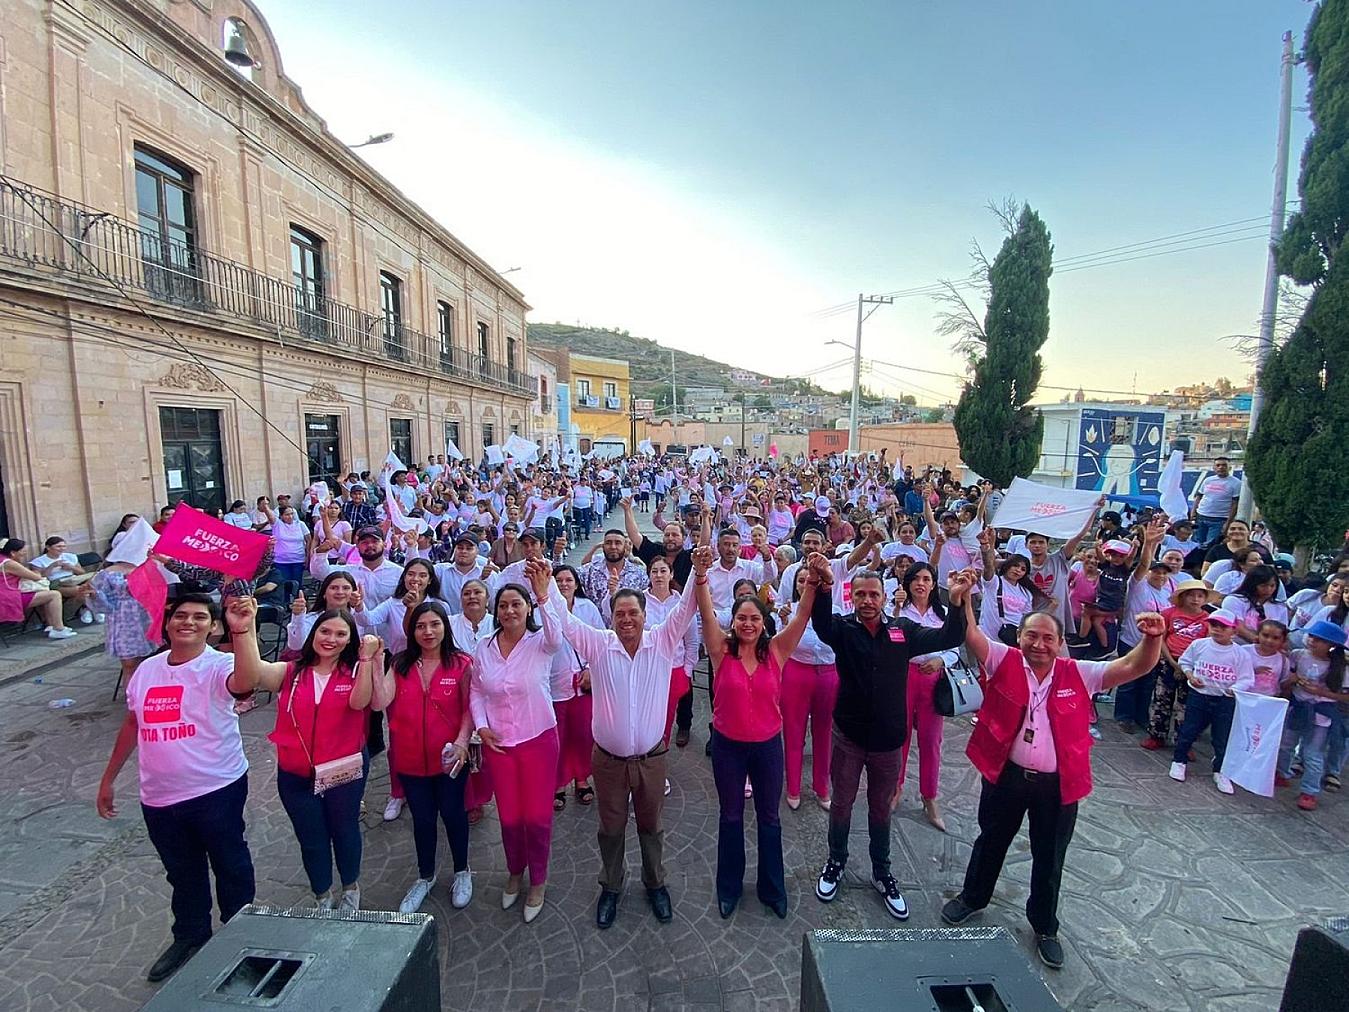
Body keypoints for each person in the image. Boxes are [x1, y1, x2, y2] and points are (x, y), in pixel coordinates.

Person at [941, 591, 1167, 970]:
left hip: (1056, 786)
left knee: (1050, 856)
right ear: (1019, 637)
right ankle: (972, 898)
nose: (1039, 644)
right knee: (990, 840)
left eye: (1048, 638)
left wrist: (1153, 638)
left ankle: (1045, 926)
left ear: (1061, 643)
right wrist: (961, 600)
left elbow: (1134, 666)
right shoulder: (1003, 659)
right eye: (1032, 635)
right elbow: (972, 634)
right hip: (1007, 778)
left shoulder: (1079, 673)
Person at [538, 546, 709, 929]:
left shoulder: (662, 641)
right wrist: (545, 586)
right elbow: (565, 621)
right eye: (620, 614)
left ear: (645, 616)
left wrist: (699, 574)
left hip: (651, 759)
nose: (627, 619)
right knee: (610, 829)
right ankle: (611, 886)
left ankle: (655, 882)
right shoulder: (599, 644)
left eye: (633, 613)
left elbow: (686, 608)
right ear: (611, 617)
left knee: (651, 827)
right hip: (609, 762)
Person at [96, 594, 257, 983]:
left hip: (216, 789)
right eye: (180, 615)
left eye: (200, 617)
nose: (188, 622)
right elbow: (133, 723)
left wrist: (243, 631)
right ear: (167, 624)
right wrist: (108, 778)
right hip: (159, 797)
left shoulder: (220, 665)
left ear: (213, 627)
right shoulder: (146, 670)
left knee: (231, 866)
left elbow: (246, 682)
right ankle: (190, 935)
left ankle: (241, 938)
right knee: (182, 873)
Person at [812, 565, 972, 921]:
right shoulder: (843, 629)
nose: (867, 601)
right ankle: (836, 862)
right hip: (849, 736)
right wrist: (823, 586)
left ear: (884, 598)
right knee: (842, 803)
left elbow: (948, 636)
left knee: (881, 808)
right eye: (861, 594)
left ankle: (881, 872)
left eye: (874, 595)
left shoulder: (904, 630)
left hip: (888, 741)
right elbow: (820, 624)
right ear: (852, 597)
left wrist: (957, 602)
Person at [230, 598, 379, 912]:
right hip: (296, 773)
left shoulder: (355, 671)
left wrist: (366, 659)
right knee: (311, 838)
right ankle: (322, 894)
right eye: (325, 631)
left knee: (345, 831)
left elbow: (360, 702)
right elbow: (254, 674)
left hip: (343, 771)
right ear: (314, 634)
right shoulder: (291, 672)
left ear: (350, 641)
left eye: (341, 634)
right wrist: (244, 630)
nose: (331, 639)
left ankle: (350, 887)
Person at [696, 550, 818, 920]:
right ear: (732, 622)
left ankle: (772, 889)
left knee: (769, 818)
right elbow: (705, 613)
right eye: (741, 618)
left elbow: (802, 615)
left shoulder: (777, 650)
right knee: (731, 816)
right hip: (728, 747)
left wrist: (812, 581)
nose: (748, 624)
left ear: (764, 623)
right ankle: (729, 888)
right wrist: (700, 576)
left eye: (754, 618)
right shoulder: (720, 650)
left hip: (767, 747)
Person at [469, 561, 563, 923]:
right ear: (496, 612)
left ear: (528, 609)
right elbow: (477, 690)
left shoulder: (541, 643)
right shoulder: (484, 647)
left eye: (517, 605)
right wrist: (481, 726)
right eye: (504, 606)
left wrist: (543, 594)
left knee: (536, 816)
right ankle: (514, 871)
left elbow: (556, 634)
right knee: (509, 817)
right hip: (500, 745)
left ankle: (538, 878)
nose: (509, 611)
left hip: (538, 740)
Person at [371, 601, 475, 911]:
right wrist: (374, 663)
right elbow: (379, 702)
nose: (428, 632)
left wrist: (462, 741)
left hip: (450, 759)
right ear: (412, 631)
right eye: (420, 626)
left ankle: (462, 871)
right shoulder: (399, 664)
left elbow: (470, 708)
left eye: (434, 624)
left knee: (454, 815)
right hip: (409, 759)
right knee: (423, 820)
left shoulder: (461, 663)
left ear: (445, 627)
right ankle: (425, 876)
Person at [895, 562, 961, 831]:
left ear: (934, 584)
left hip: (932, 680)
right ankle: (896, 787)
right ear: (908, 583)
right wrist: (895, 609)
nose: (921, 584)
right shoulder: (898, 608)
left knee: (931, 740)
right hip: (903, 677)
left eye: (926, 579)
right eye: (916, 579)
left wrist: (941, 661)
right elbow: (887, 638)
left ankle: (929, 796)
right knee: (900, 736)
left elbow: (955, 648)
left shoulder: (943, 613)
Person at [1168, 609, 1255, 794]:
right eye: (1214, 625)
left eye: (1223, 627)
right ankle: (1179, 760)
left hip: (1225, 700)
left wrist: (1234, 689)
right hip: (1199, 695)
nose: (1217, 629)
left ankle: (1221, 770)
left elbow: (1247, 678)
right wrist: (1190, 676)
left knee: (1222, 736)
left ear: (1233, 630)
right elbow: (1185, 661)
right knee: (1189, 729)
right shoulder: (1199, 645)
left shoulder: (1240, 654)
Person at [780, 565, 839, 813]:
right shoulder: (787, 611)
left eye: (811, 580)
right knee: (794, 731)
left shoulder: (836, 610)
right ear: (796, 585)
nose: (806, 584)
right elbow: (780, 645)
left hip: (828, 673)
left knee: (824, 733)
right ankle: (793, 787)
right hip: (797, 672)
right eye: (801, 580)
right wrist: (784, 622)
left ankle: (822, 786)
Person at [1276, 619, 1348, 811]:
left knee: (1313, 753)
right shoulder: (1298, 655)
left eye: (1319, 639)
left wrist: (1321, 692)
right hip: (1297, 707)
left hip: (1321, 714)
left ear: (1331, 645)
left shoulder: (1340, 667)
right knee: (1286, 744)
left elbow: (1345, 697)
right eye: (1311, 636)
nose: (1312, 641)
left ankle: (1310, 791)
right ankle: (1282, 773)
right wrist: (1292, 680)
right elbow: (1285, 679)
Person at [550, 564, 604, 810]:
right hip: (554, 686)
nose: (564, 584)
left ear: (576, 583)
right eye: (558, 580)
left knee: (583, 735)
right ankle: (558, 783)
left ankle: (582, 779)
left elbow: (600, 641)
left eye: (568, 580)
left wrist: (592, 670)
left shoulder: (588, 607)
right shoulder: (543, 610)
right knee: (558, 737)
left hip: (584, 684)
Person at [90, 520, 162, 693]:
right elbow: (103, 604)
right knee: (129, 663)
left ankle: (148, 693)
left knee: (150, 661)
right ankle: (132, 697)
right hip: (123, 620)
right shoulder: (107, 573)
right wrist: (94, 595)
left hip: (146, 615)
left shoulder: (146, 567)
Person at [1141, 578, 1211, 751]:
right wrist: (1172, 662)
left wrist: (1188, 667)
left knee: (1186, 705)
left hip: (1193, 666)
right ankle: (1156, 735)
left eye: (1200, 596)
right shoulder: (1169, 613)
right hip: (1168, 660)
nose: (1195, 599)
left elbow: (1207, 644)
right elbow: (1161, 639)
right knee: (1161, 698)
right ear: (1182, 597)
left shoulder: (1208, 619)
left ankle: (1183, 742)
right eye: (1191, 595)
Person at [0, 537, 77, 639]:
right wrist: (36, 571)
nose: (25, 554)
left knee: (46, 594)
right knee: (54, 595)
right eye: (23, 551)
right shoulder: (9, 563)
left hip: (6, 595)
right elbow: (36, 577)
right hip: (7, 598)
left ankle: (51, 625)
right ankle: (58, 628)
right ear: (13, 553)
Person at [310, 526, 403, 606]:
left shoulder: (399, 573)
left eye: (375, 541)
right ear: (357, 546)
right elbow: (320, 573)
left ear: (384, 544)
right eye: (364, 542)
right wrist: (321, 553)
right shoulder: (349, 572)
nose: (370, 545)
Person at [287, 572, 360, 657]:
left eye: (345, 588)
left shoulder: (360, 617)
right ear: (324, 593)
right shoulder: (312, 619)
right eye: (334, 588)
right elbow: (296, 645)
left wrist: (360, 607)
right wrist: (298, 616)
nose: (340, 592)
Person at [31, 536, 98, 623]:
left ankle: (87, 609)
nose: (62, 549)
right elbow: (39, 577)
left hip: (73, 579)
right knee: (81, 590)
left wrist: (71, 567)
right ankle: (89, 609)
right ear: (48, 547)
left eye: (63, 546)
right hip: (55, 583)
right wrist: (52, 566)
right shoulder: (38, 561)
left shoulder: (70, 556)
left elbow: (82, 572)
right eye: (58, 546)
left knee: (94, 585)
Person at [1190, 457, 1242, 546]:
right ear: (1214, 468)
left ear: (1229, 467)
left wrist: (1228, 523)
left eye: (1224, 465)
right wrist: (1193, 512)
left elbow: (1235, 504)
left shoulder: (1236, 483)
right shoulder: (1208, 480)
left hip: (1219, 520)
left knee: (1211, 545)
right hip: (1201, 517)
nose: (1221, 467)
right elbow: (1199, 496)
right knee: (1196, 544)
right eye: (1218, 465)